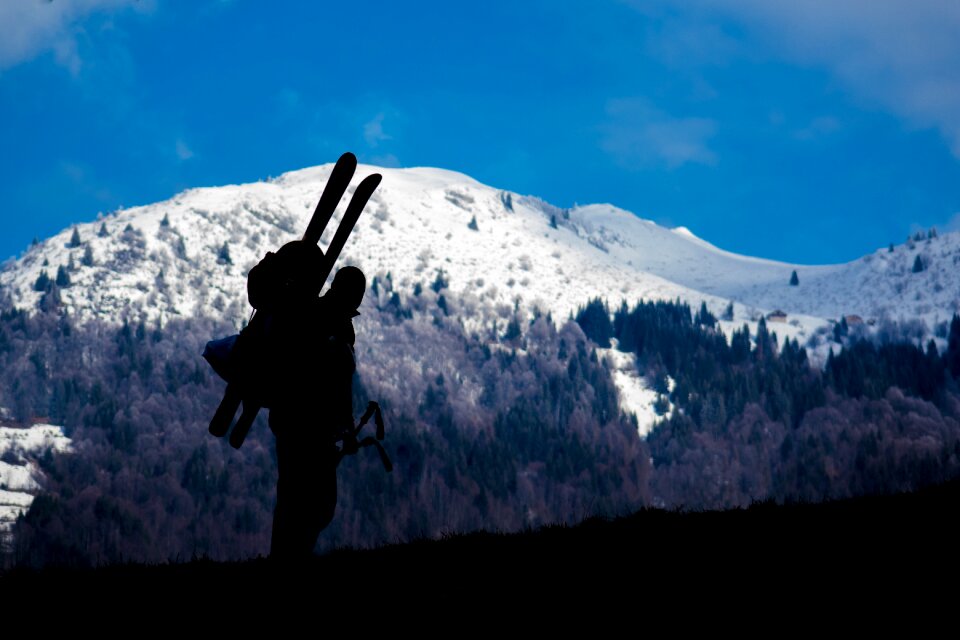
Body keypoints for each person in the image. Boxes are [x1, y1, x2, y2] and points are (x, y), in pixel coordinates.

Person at [263, 247, 366, 561]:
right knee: (316, 503)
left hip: (290, 421)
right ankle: (292, 558)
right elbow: (337, 383)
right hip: (311, 428)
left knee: (293, 497)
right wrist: (345, 428)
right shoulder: (335, 325)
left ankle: (284, 558)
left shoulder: (309, 314)